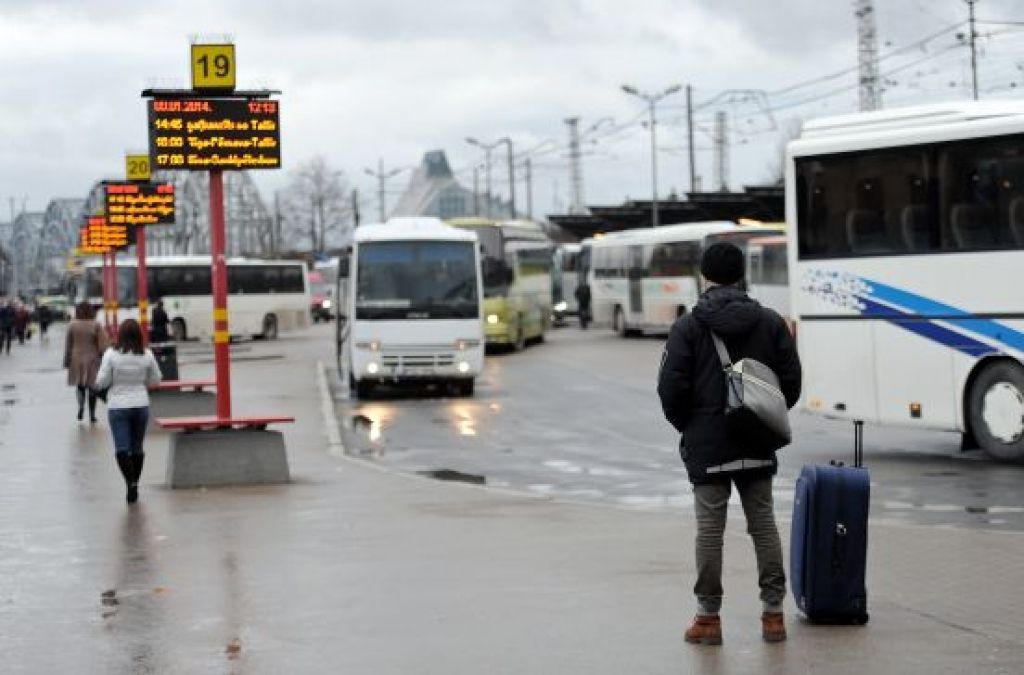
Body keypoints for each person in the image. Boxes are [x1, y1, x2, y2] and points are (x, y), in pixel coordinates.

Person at [657, 242, 801, 646]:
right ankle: (773, 616)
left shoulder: (688, 327)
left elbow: (670, 388)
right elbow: (791, 383)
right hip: (757, 441)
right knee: (764, 526)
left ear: (704, 276)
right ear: (741, 275)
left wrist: (692, 426)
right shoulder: (770, 322)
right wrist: (764, 413)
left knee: (709, 532)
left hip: (708, 445)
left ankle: (708, 619)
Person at [95, 319, 162, 504]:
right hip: (141, 405)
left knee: (121, 449)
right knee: (137, 448)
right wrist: (142, 384)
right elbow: (156, 379)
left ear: (120, 334)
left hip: (118, 406)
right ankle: (134, 484)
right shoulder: (147, 354)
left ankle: (130, 483)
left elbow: (101, 381)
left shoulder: (111, 355)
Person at [64, 302, 107, 423]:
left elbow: (68, 345)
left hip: (76, 358)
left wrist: (67, 361)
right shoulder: (96, 325)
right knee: (92, 386)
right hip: (92, 358)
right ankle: (92, 415)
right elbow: (103, 344)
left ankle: (81, 406)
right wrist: (103, 357)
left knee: (80, 385)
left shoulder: (72, 325)